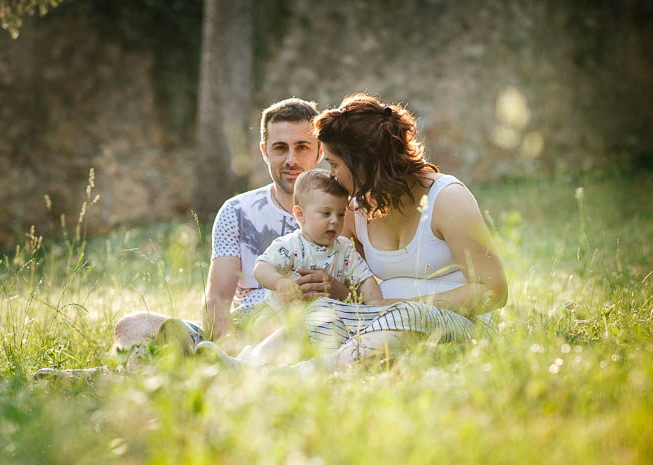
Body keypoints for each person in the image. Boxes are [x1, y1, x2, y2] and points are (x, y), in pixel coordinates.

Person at [112, 98, 352, 357]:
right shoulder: (237, 210)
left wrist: (335, 289)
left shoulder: (344, 211)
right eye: (280, 148)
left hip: (306, 333)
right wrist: (228, 349)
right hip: (237, 332)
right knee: (132, 326)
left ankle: (176, 369)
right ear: (264, 151)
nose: (291, 160)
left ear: (319, 152)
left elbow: (366, 296)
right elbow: (218, 298)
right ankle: (197, 364)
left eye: (302, 147)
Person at [304, 93, 508, 367]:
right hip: (382, 322)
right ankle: (245, 364)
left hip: (458, 325)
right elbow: (355, 287)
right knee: (319, 312)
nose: (331, 175)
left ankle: (301, 375)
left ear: (362, 162)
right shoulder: (354, 209)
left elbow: (495, 291)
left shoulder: (447, 198)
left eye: (334, 164)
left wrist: (405, 305)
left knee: (410, 315)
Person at [254, 168, 383, 307]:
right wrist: (279, 281)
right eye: (326, 213)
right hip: (284, 317)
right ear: (300, 214)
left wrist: (376, 308)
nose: (335, 220)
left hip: (328, 320)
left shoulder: (345, 249)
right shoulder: (291, 245)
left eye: (341, 214)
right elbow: (261, 268)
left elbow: (366, 280)